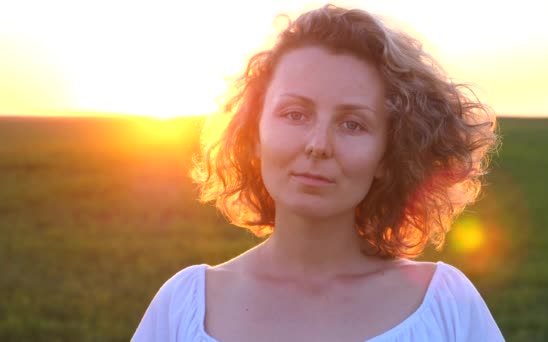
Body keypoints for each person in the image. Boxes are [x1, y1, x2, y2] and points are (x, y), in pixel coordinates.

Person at [133, 4, 503, 341]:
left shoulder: (444, 303)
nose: (318, 144)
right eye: (295, 114)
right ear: (254, 134)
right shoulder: (186, 305)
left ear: (388, 156)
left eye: (353, 124)